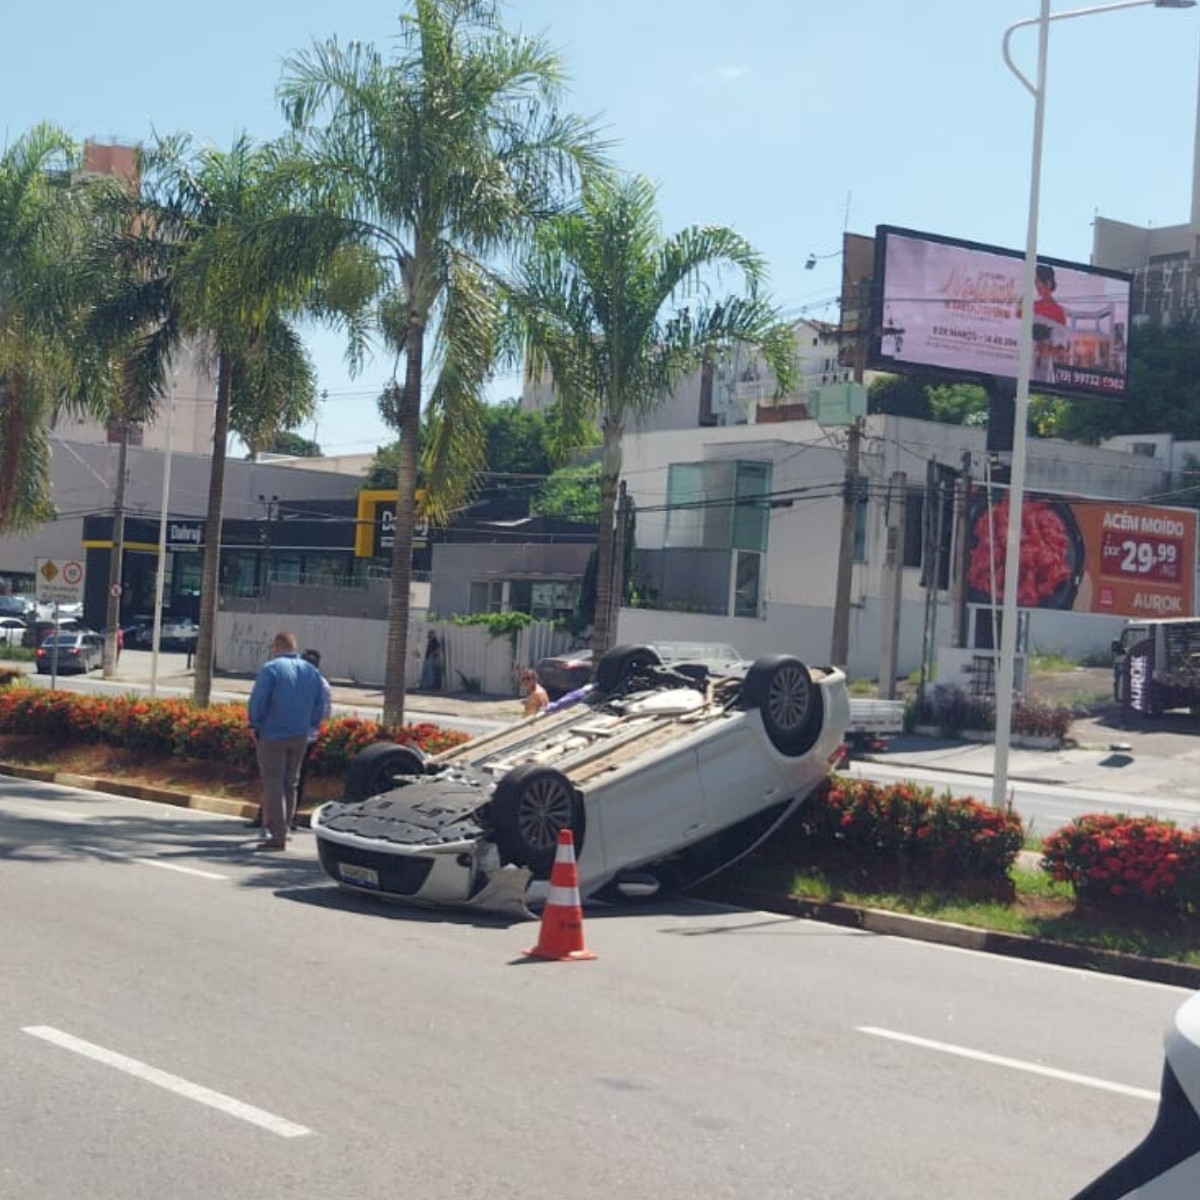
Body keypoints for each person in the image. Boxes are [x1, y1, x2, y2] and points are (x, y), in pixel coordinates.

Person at [246, 630, 328, 850]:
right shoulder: (311, 671)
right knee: (291, 782)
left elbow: (259, 699)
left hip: (272, 734)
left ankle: (278, 835)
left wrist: (254, 723)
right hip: (300, 734)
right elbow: (320, 704)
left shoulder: (271, 668)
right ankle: (287, 826)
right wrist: (310, 724)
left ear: (278, 646)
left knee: (273, 783)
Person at [294, 647, 333, 825]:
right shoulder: (322, 683)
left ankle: (272, 817)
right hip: (307, 736)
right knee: (295, 777)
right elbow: (324, 714)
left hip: (294, 734)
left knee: (279, 775)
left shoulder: (296, 679)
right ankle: (287, 817)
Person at [1031, 263, 1068, 384]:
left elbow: (1061, 349)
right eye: (1035, 282)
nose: (1036, 285)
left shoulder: (1058, 311)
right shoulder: (1033, 305)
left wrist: (1044, 349)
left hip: (1042, 365)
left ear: (1047, 283)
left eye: (1038, 282)